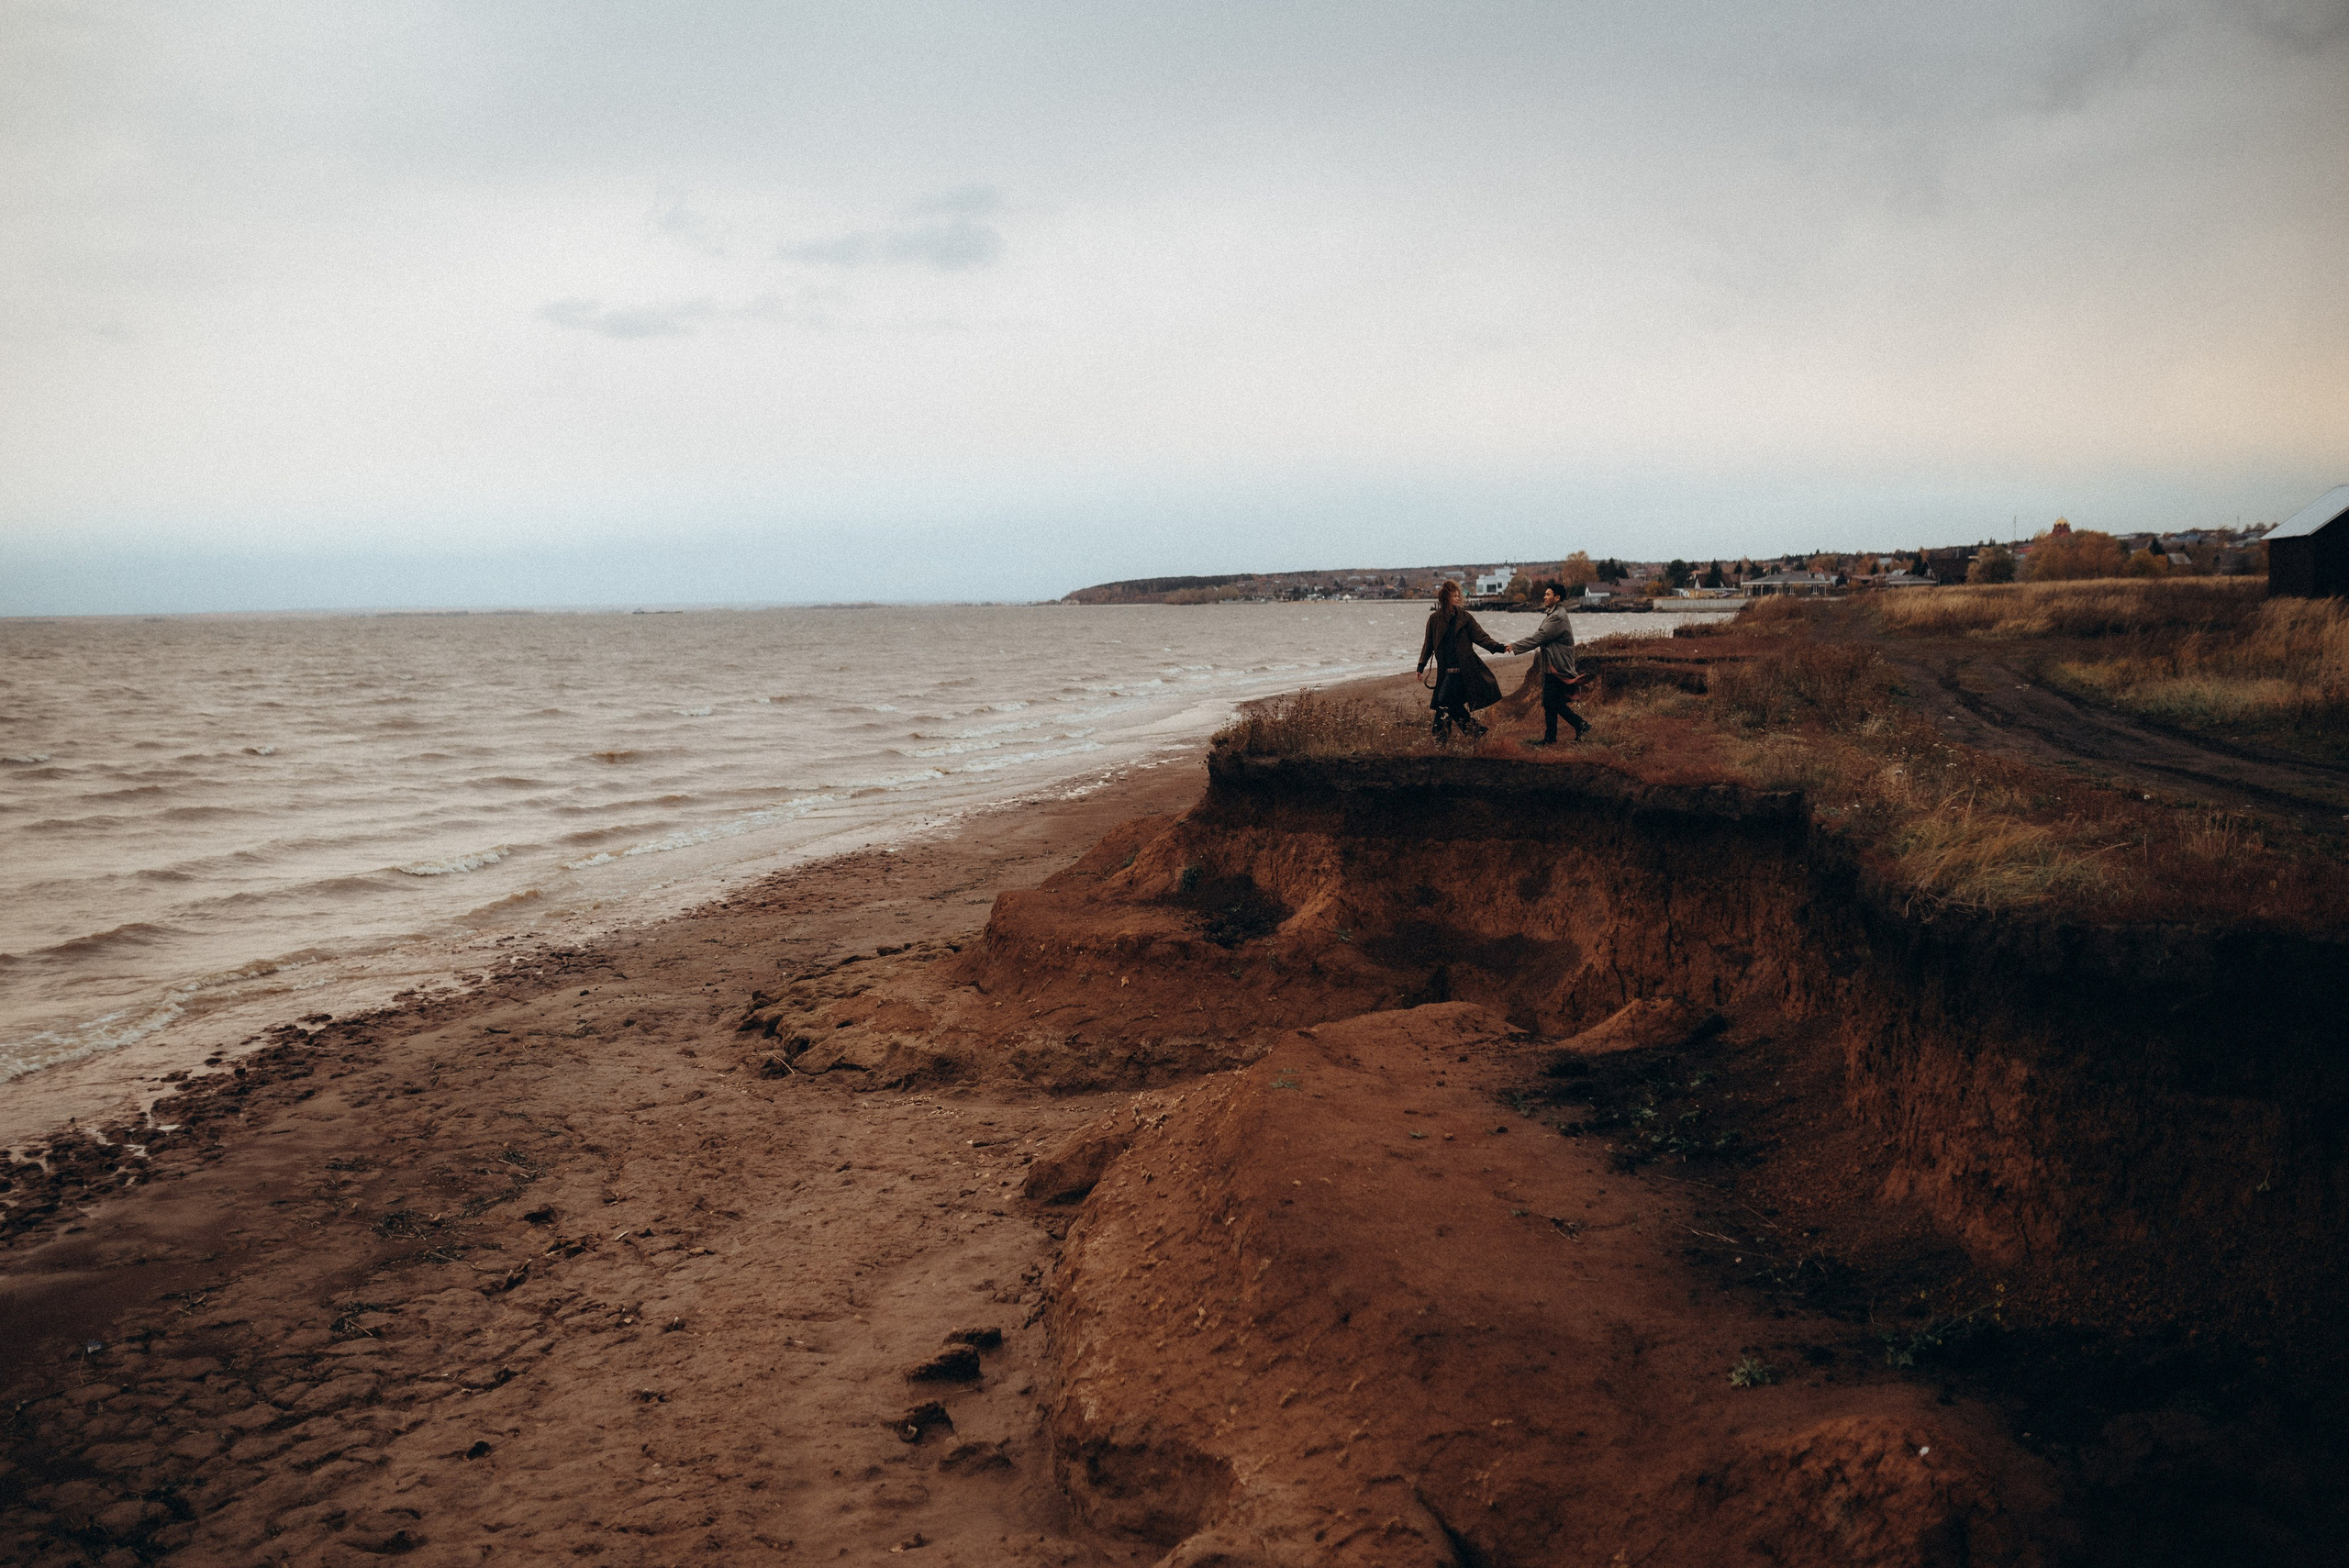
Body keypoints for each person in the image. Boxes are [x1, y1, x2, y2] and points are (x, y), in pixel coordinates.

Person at [1416, 580, 1507, 740]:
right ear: (1445, 598)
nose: (1458, 598)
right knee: (1448, 704)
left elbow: (1481, 637)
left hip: (1465, 670)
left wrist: (1498, 647)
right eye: (1454, 596)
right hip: (1445, 671)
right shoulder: (1434, 619)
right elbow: (1428, 644)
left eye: (1459, 595)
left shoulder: (1465, 617)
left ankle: (1457, 733)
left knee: (1443, 700)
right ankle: (1458, 734)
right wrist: (1421, 666)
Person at [1506, 582, 1593, 745]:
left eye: (1548, 594)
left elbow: (1539, 637)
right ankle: (1550, 738)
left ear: (1557, 597)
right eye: (1545, 594)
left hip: (1557, 666)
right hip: (1551, 665)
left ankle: (1581, 725)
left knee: (1553, 702)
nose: (1544, 597)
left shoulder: (1558, 618)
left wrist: (1515, 646)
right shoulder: (1554, 613)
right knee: (1549, 702)